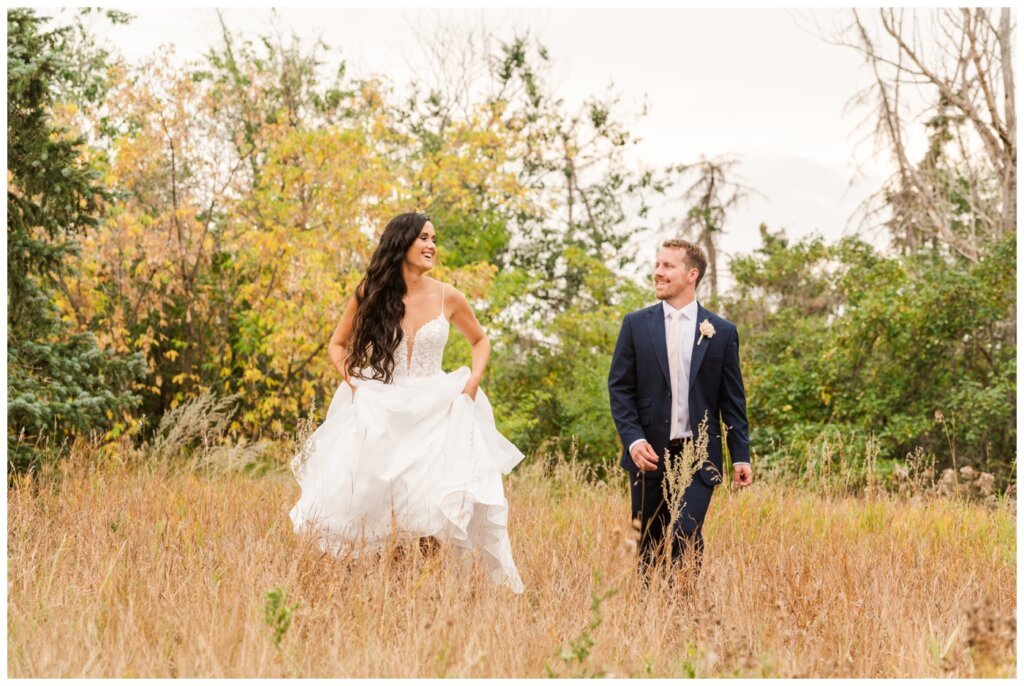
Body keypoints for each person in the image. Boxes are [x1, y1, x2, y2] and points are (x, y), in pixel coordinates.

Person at [289, 212, 525, 593]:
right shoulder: (371, 291)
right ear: (402, 243)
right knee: (385, 507)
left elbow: (480, 341)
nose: (432, 245)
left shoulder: (449, 295)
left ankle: (423, 594)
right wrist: (354, 383)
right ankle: (387, 592)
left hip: (438, 409)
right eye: (423, 238)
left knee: (431, 508)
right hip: (385, 407)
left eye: (434, 238)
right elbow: (337, 344)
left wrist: (473, 381)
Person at [608, 238, 752, 577]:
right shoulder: (635, 325)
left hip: (700, 455)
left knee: (686, 532)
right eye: (657, 265)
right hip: (649, 454)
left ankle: (684, 606)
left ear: (692, 274)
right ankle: (652, 618)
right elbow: (620, 389)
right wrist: (633, 439)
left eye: (667, 266)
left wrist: (741, 454)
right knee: (649, 542)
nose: (657, 272)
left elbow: (733, 401)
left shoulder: (721, 332)